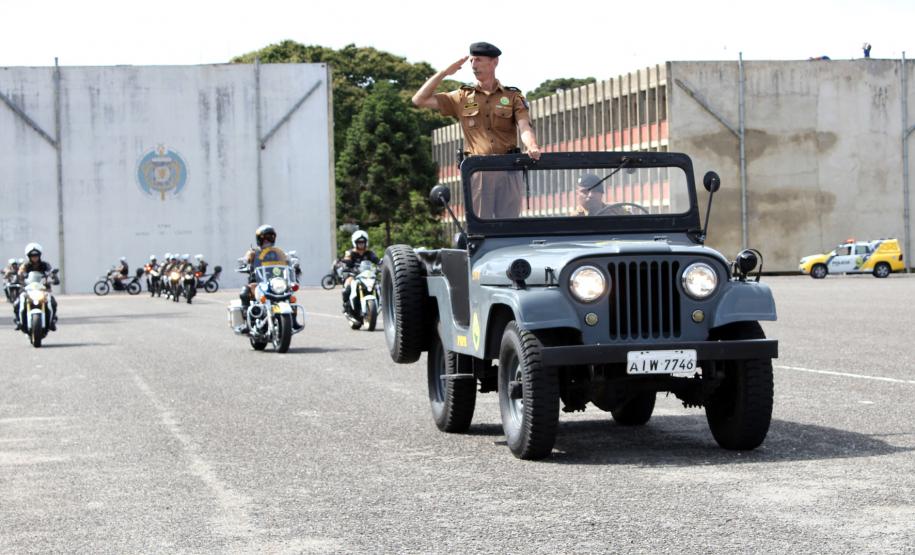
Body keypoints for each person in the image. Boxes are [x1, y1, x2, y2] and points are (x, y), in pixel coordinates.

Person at [412, 42, 542, 219]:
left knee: (510, 226)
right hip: (479, 171)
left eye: (479, 60)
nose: (473, 65)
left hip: (509, 169)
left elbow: (524, 126)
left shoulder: (512, 96)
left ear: (494, 62)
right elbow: (419, 100)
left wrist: (532, 145)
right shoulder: (462, 96)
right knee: (482, 226)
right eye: (472, 60)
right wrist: (444, 73)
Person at [14, 243, 58, 330]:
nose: (35, 257)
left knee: (52, 302)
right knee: (17, 303)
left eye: (36, 255)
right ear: (28, 256)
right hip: (28, 290)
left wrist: (54, 277)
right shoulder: (25, 266)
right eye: (32, 255)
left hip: (43, 289)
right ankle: (18, 321)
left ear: (39, 255)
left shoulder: (45, 265)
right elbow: (20, 273)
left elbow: (51, 272)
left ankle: (52, 321)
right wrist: (18, 279)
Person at [340, 230, 380, 316]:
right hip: (353, 275)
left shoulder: (369, 253)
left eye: (363, 242)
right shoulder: (350, 252)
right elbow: (346, 259)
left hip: (367, 275)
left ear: (366, 242)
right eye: (359, 242)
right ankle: (346, 306)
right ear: (355, 243)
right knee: (347, 286)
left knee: (378, 286)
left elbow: (376, 260)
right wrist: (346, 262)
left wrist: (381, 263)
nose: (361, 244)